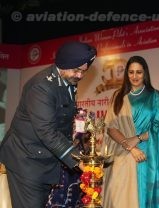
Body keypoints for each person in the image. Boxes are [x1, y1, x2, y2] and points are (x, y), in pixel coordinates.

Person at [0, 41, 97, 208]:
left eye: (83, 71)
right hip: (26, 160)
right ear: (63, 64)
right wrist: (79, 161)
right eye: (76, 70)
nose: (80, 75)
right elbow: (47, 132)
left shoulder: (67, 80)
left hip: (42, 160)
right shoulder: (42, 87)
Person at [103, 55, 159, 208]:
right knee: (120, 200)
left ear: (145, 73)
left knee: (143, 199)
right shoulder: (118, 96)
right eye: (131, 72)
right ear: (127, 74)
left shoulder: (154, 96)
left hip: (146, 156)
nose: (135, 76)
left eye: (139, 72)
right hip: (122, 155)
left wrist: (138, 138)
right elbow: (110, 127)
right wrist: (130, 147)